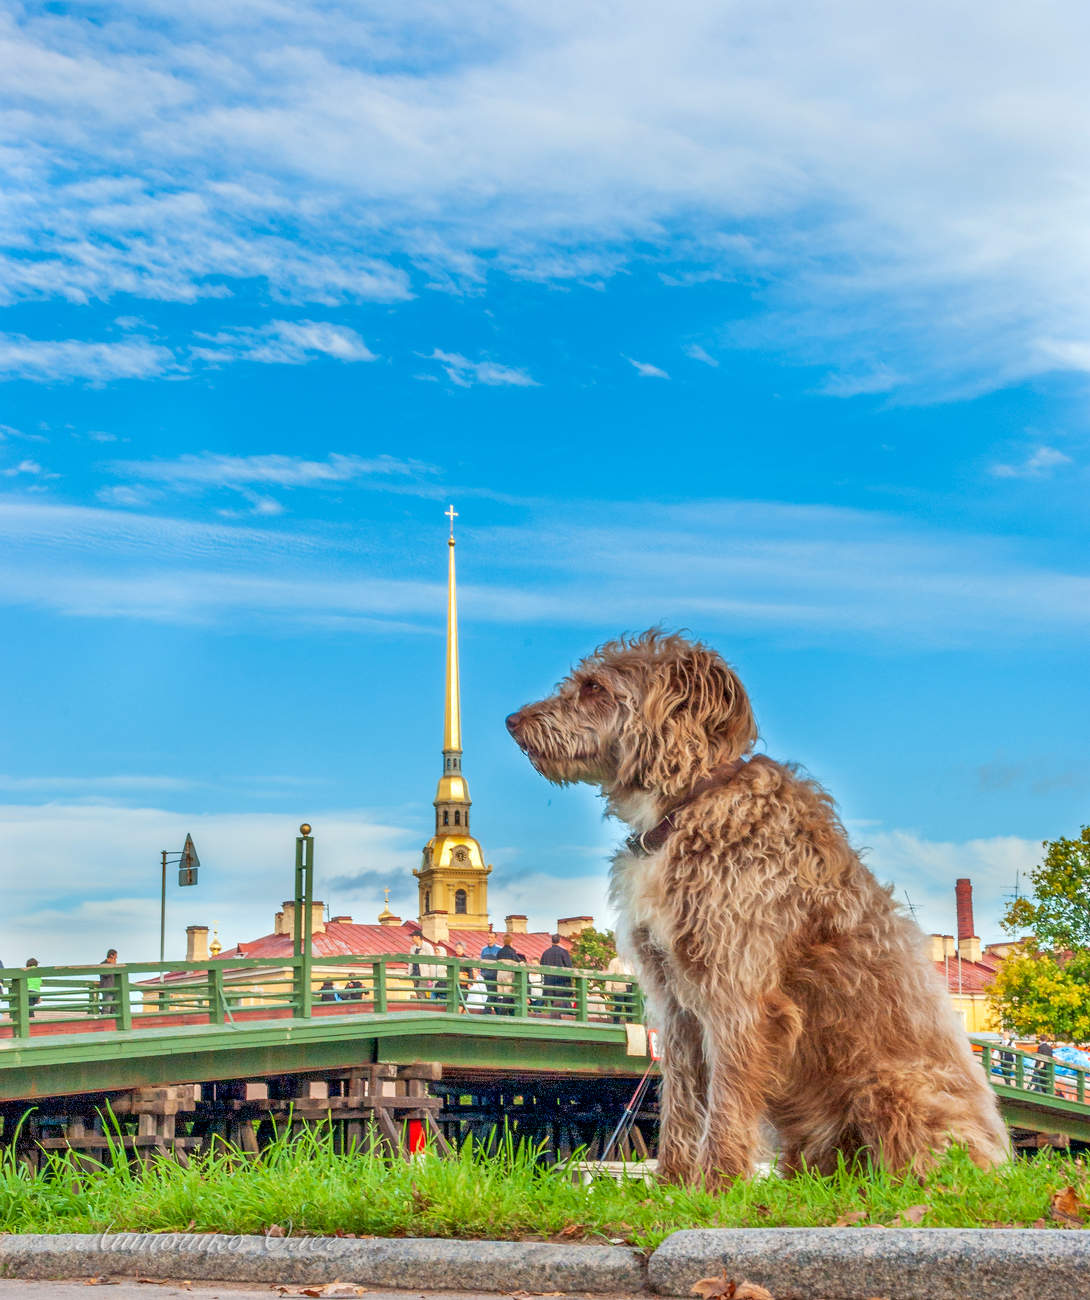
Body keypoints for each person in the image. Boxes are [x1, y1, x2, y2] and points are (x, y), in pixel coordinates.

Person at [539, 933, 574, 1016]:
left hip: (549, 984)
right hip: (562, 984)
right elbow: (569, 967)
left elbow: (542, 967)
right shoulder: (564, 952)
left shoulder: (545, 953)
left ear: (551, 941)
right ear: (559, 940)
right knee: (563, 1006)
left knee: (554, 1006)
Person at [408, 928, 437, 1002]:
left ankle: (423, 1007)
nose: (412, 939)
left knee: (421, 991)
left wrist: (432, 976)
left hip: (424, 973)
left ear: (418, 937)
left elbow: (432, 962)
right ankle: (421, 1006)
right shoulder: (413, 948)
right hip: (415, 973)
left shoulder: (427, 946)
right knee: (417, 991)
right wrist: (410, 973)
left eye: (413, 937)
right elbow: (411, 961)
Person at [494, 933, 519, 1015]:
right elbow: (518, 963)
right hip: (508, 976)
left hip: (500, 976)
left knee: (500, 995)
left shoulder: (500, 952)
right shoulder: (512, 952)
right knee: (507, 995)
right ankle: (504, 1013)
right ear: (511, 941)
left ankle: (499, 1012)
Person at [479, 933, 501, 1013]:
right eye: (488, 937)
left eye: (491, 937)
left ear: (495, 939)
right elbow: (481, 962)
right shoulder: (484, 950)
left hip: (495, 976)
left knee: (492, 994)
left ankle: (486, 1011)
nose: (489, 939)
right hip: (486, 975)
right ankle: (499, 1012)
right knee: (491, 995)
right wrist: (482, 973)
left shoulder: (499, 949)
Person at [98, 949, 119, 1018]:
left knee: (114, 1009)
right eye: (116, 956)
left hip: (114, 989)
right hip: (107, 989)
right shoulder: (103, 964)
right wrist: (112, 966)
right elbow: (105, 974)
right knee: (106, 1009)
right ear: (111, 955)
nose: (117, 957)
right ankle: (104, 1025)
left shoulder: (114, 964)